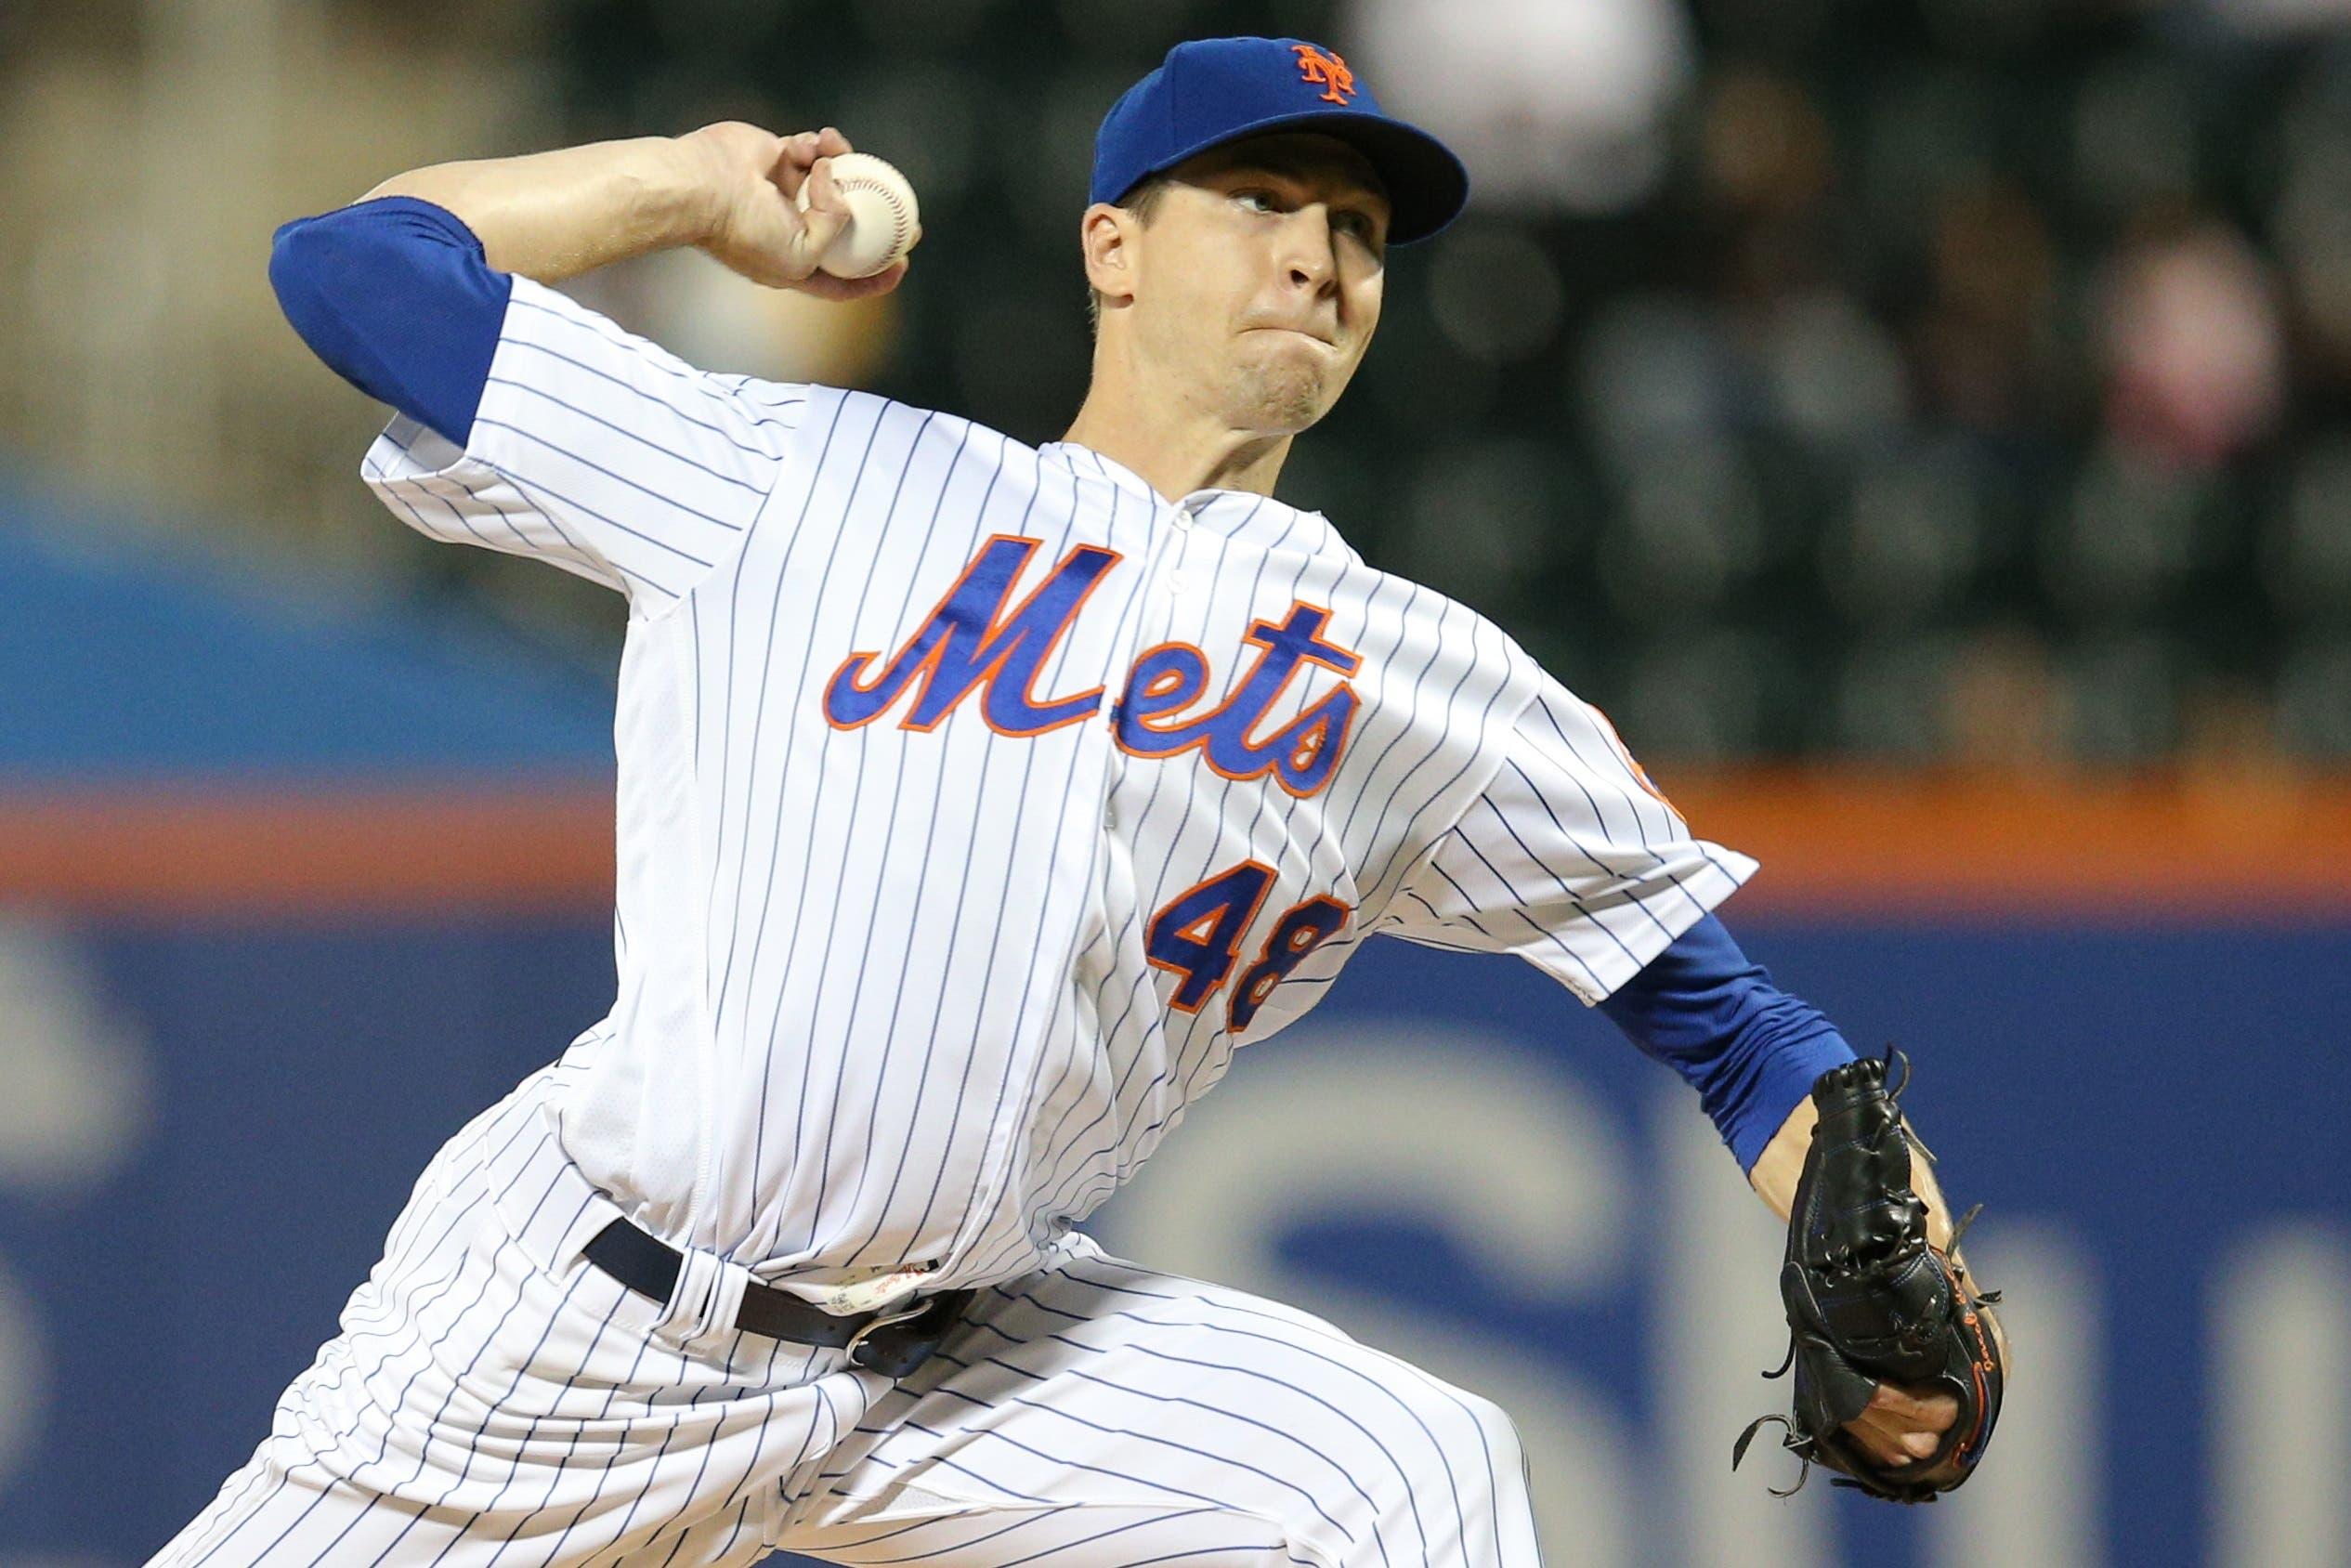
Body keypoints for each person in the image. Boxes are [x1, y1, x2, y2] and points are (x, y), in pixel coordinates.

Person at [153, 35, 1998, 1567]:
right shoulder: (803, 473)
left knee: (1409, 1481)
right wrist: (694, 187)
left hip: (968, 1366)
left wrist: (1927, 1275)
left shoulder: (1417, 677)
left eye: (1356, 226)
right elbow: (358, 271)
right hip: (591, 1324)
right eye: (1262, 200)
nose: (1320, 250)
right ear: (1112, 247)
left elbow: (1745, 1034)